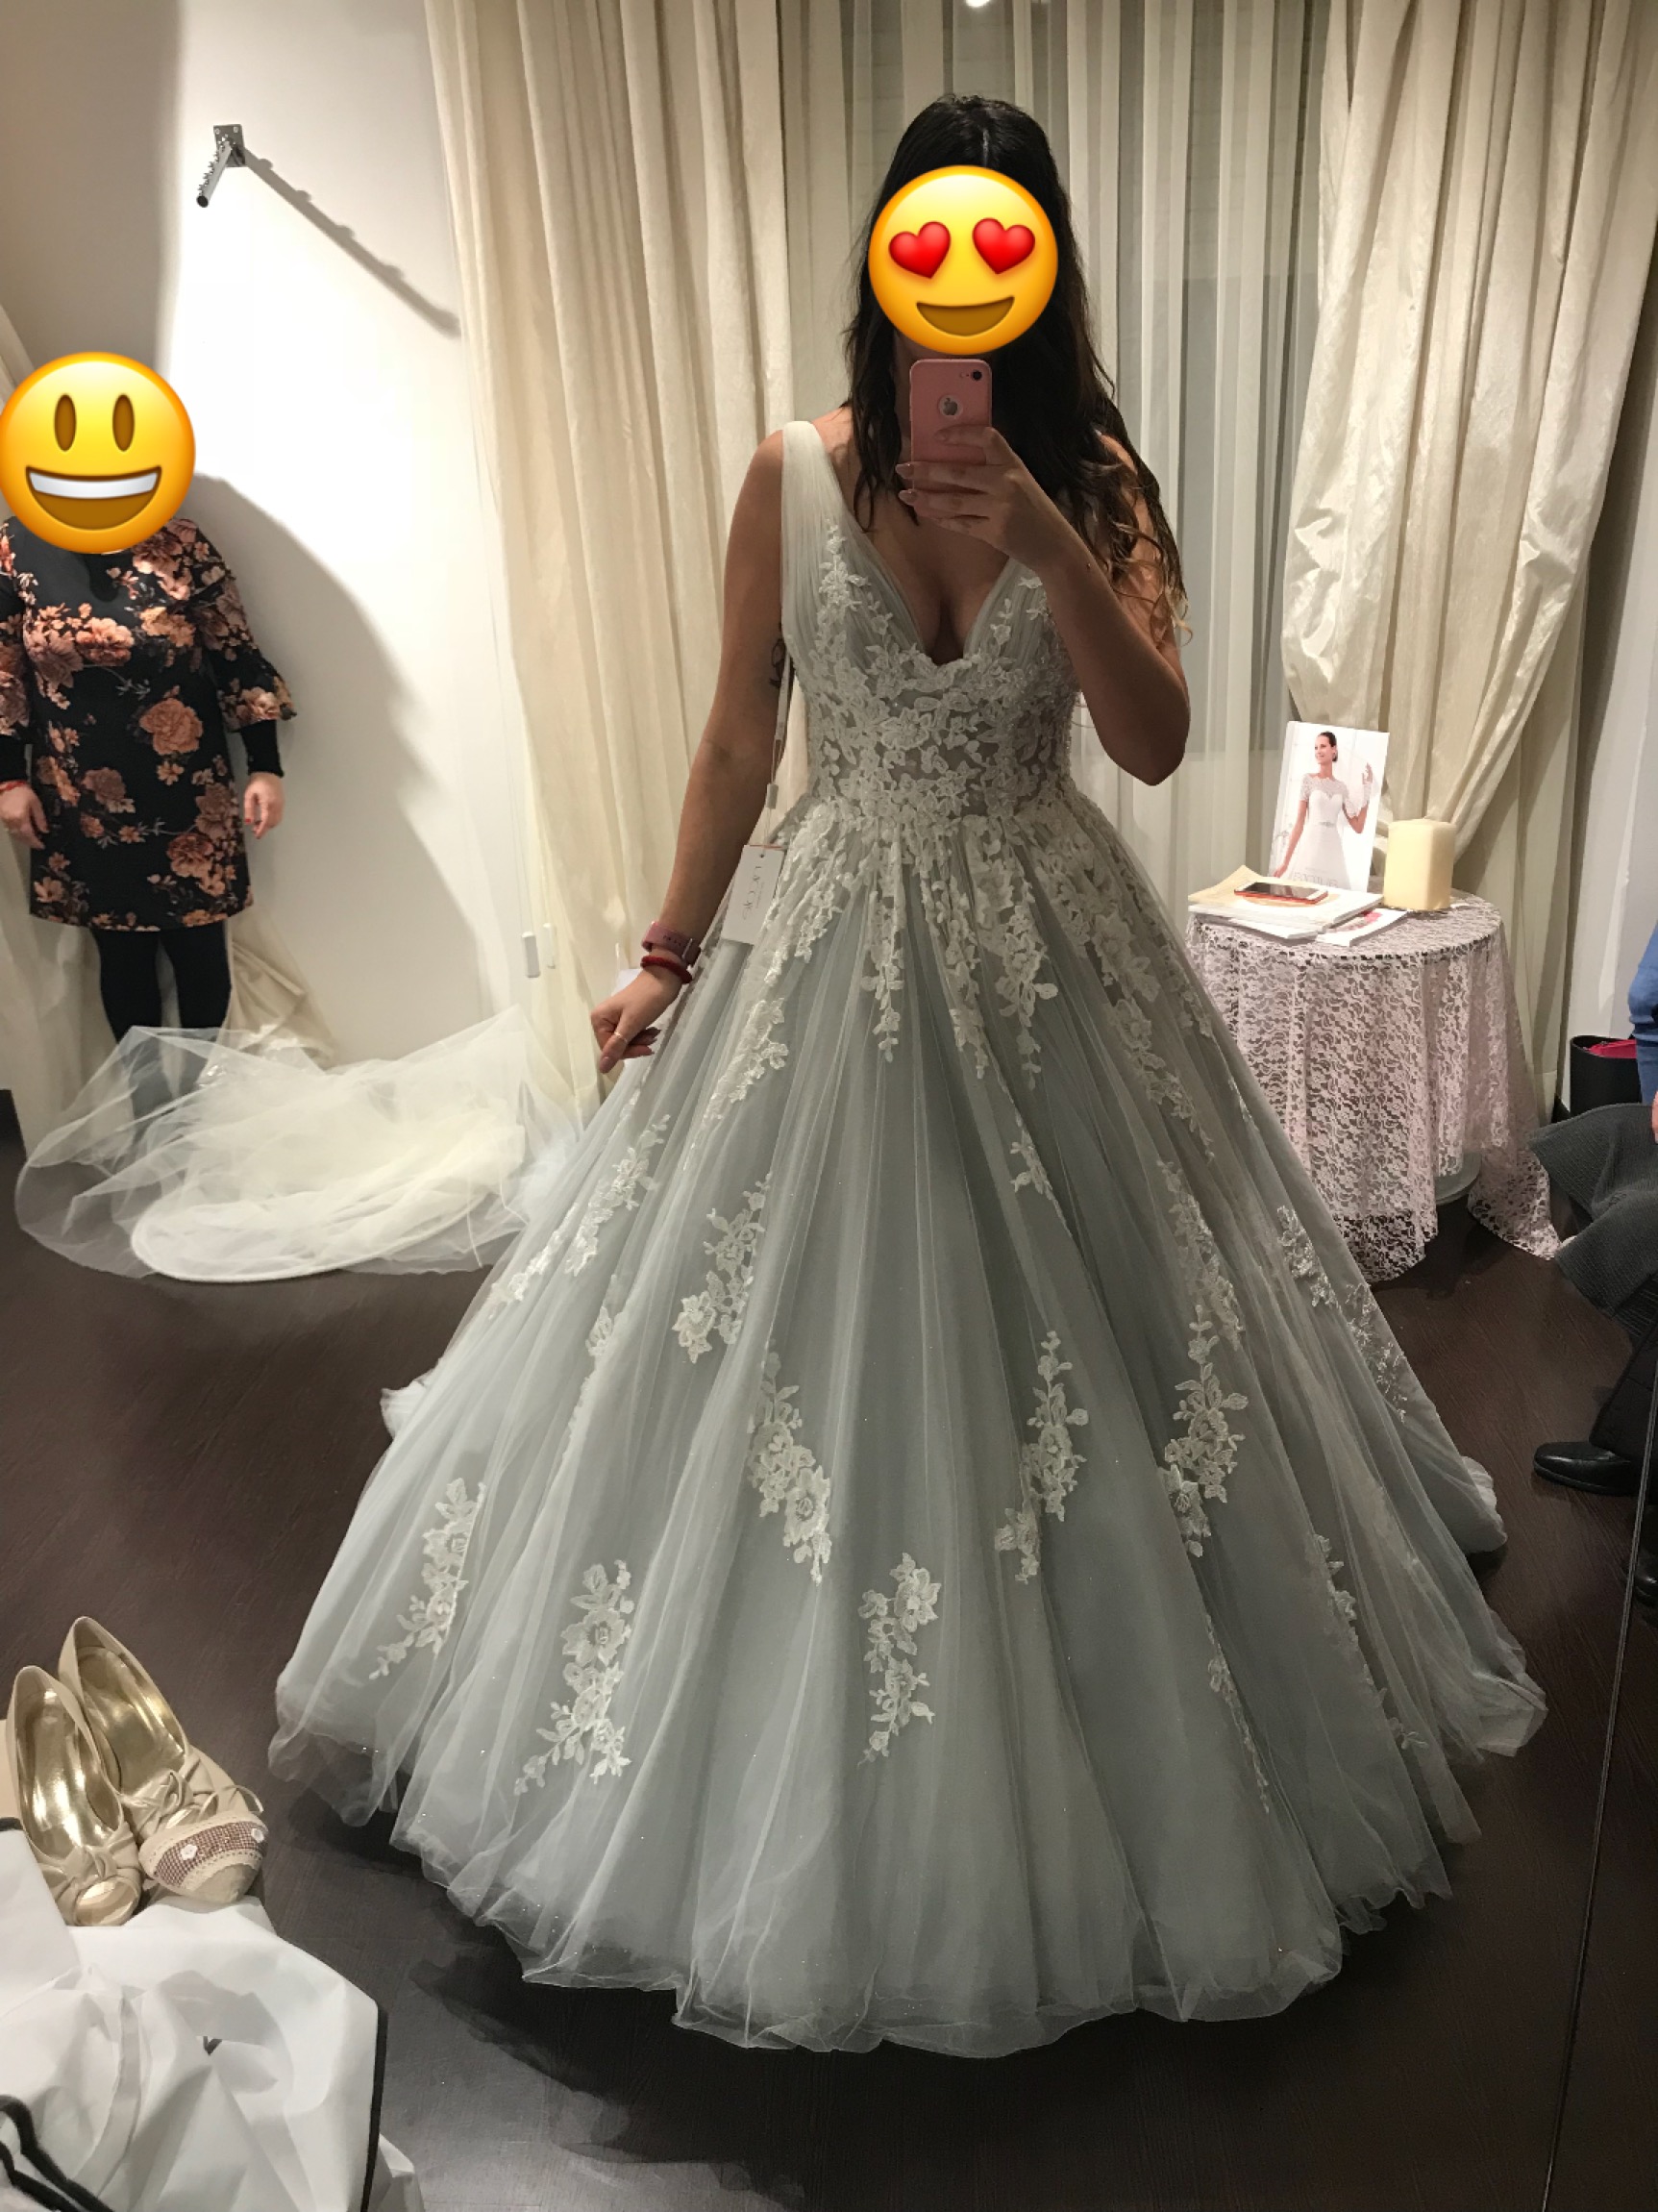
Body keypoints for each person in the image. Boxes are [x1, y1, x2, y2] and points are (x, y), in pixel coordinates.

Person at [273, 96, 1542, 2056]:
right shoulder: (790, 472)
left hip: (1053, 949)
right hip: (827, 937)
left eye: (999, 242)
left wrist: (1042, 530)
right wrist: (664, 953)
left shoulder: (1096, 483)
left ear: (1039, 269)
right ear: (888, 258)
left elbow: (1149, 738)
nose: (961, 283)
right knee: (773, 1344)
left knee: (1106, 1350)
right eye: (931, 243)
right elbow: (736, 736)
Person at [0, 512, 293, 1040]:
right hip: (79, 791)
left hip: (187, 787)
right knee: (121, 953)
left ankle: (201, 1091)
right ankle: (148, 1091)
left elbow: (234, 653)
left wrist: (265, 765)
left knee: (200, 949)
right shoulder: (15, 544)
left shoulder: (179, 540)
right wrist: (9, 779)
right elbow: (4, 673)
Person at [1274, 728, 1373, 887]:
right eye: (1316, 747)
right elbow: (1299, 823)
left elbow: (1358, 827)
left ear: (1334, 750)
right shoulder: (1308, 780)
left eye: (1323, 746)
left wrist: (1366, 791)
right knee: (1304, 891)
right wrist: (1285, 863)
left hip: (1333, 847)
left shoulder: (1341, 788)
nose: (1318, 751)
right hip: (1311, 843)